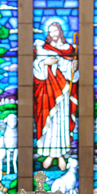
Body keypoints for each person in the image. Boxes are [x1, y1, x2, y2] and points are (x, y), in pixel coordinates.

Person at [33, 21, 78, 171]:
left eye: (55, 31)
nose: (52, 34)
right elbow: (36, 69)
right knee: (50, 122)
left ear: (60, 32)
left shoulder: (69, 49)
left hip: (63, 92)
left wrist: (74, 68)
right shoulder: (43, 49)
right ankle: (50, 154)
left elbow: (72, 75)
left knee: (62, 122)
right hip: (47, 93)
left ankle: (60, 155)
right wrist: (44, 62)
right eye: (50, 31)